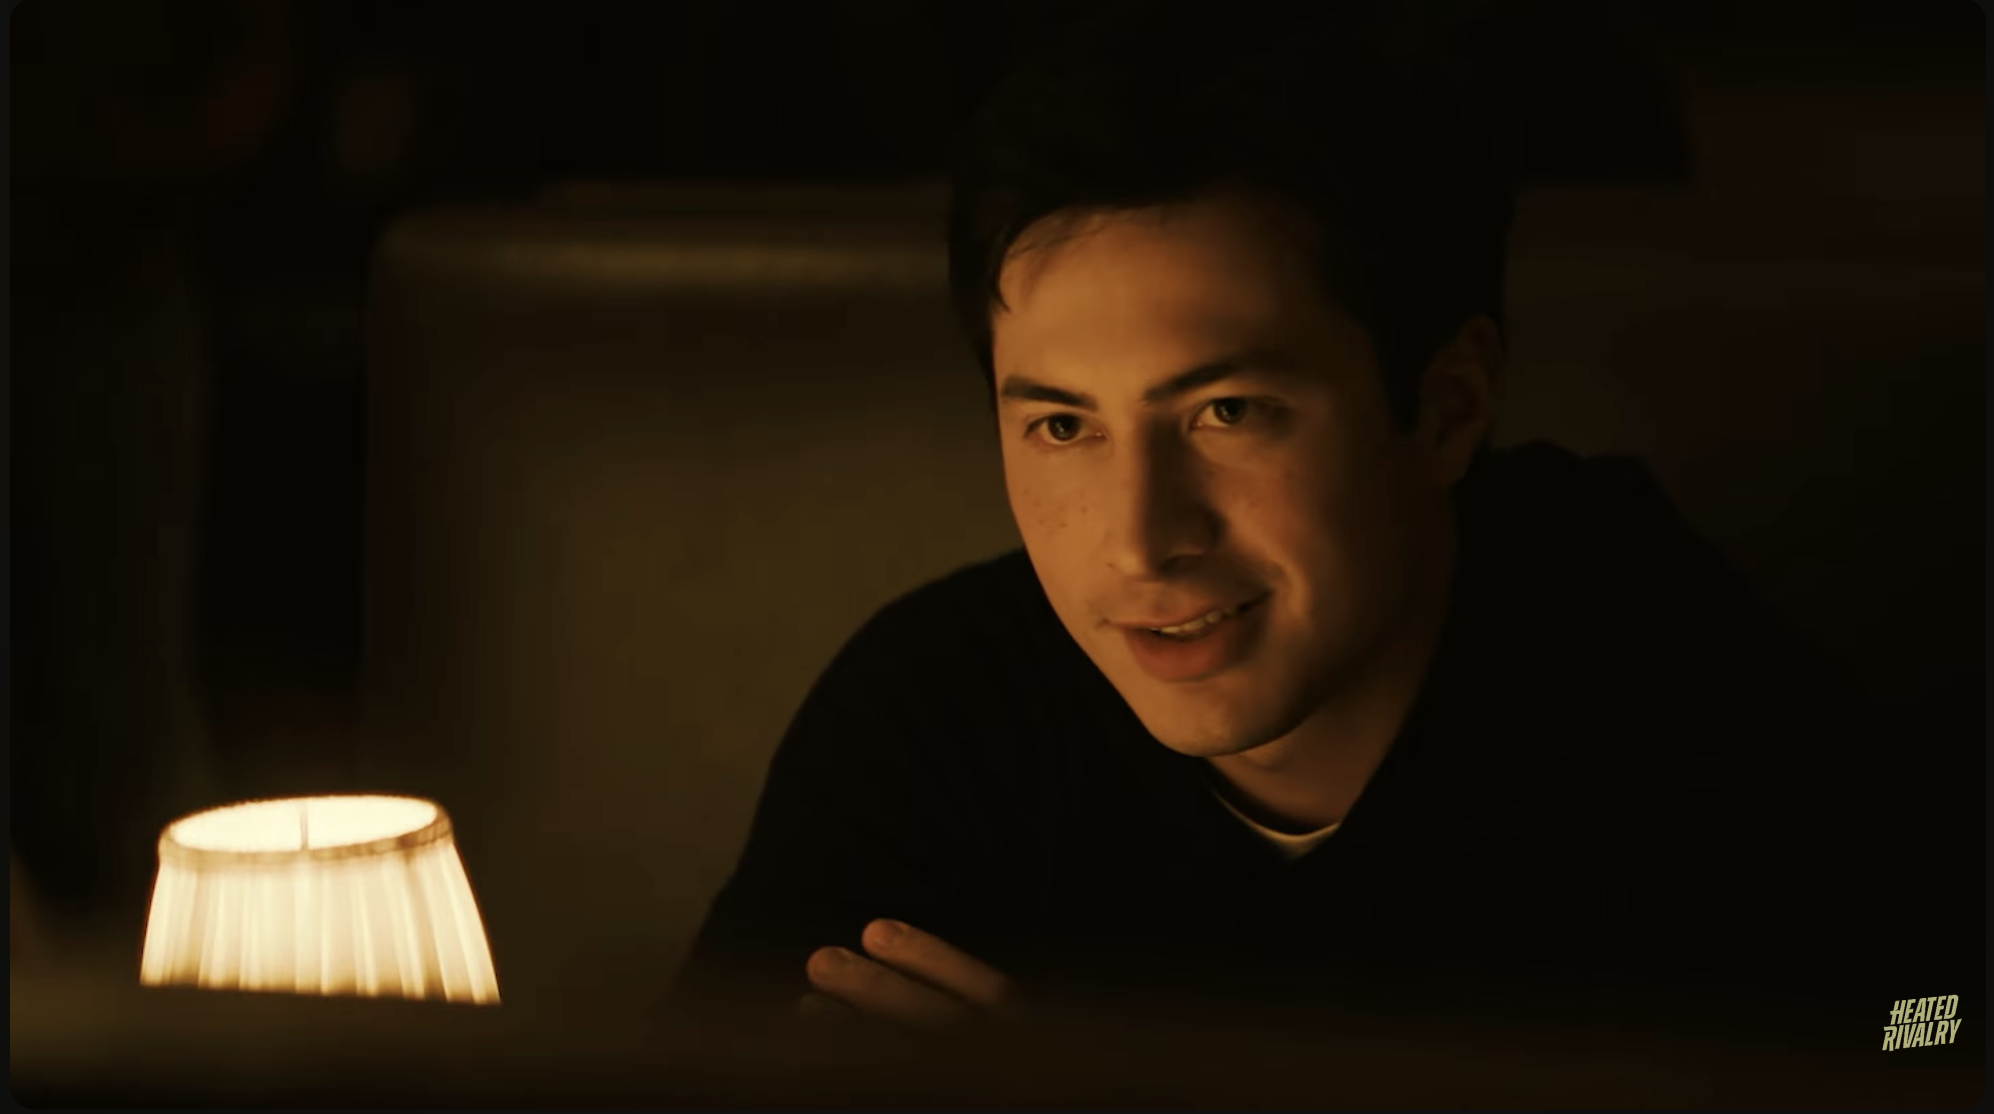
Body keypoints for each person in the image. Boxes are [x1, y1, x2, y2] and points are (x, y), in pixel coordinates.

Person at [671, 2, 1904, 1033]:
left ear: (1444, 408)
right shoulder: (937, 713)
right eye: (1061, 425)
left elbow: (1936, 1027)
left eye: (1227, 413)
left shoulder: (1701, 729)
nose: (1139, 540)